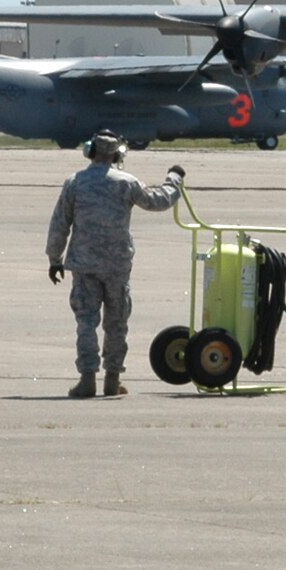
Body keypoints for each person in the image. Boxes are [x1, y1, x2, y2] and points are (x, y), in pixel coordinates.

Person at [46, 130, 184, 398]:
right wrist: (174, 180)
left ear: (90, 151)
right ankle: (112, 378)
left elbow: (59, 223)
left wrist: (55, 259)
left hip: (84, 265)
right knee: (117, 322)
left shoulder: (75, 182)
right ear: (118, 155)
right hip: (116, 265)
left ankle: (87, 379)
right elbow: (158, 201)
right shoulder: (127, 182)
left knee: (86, 322)